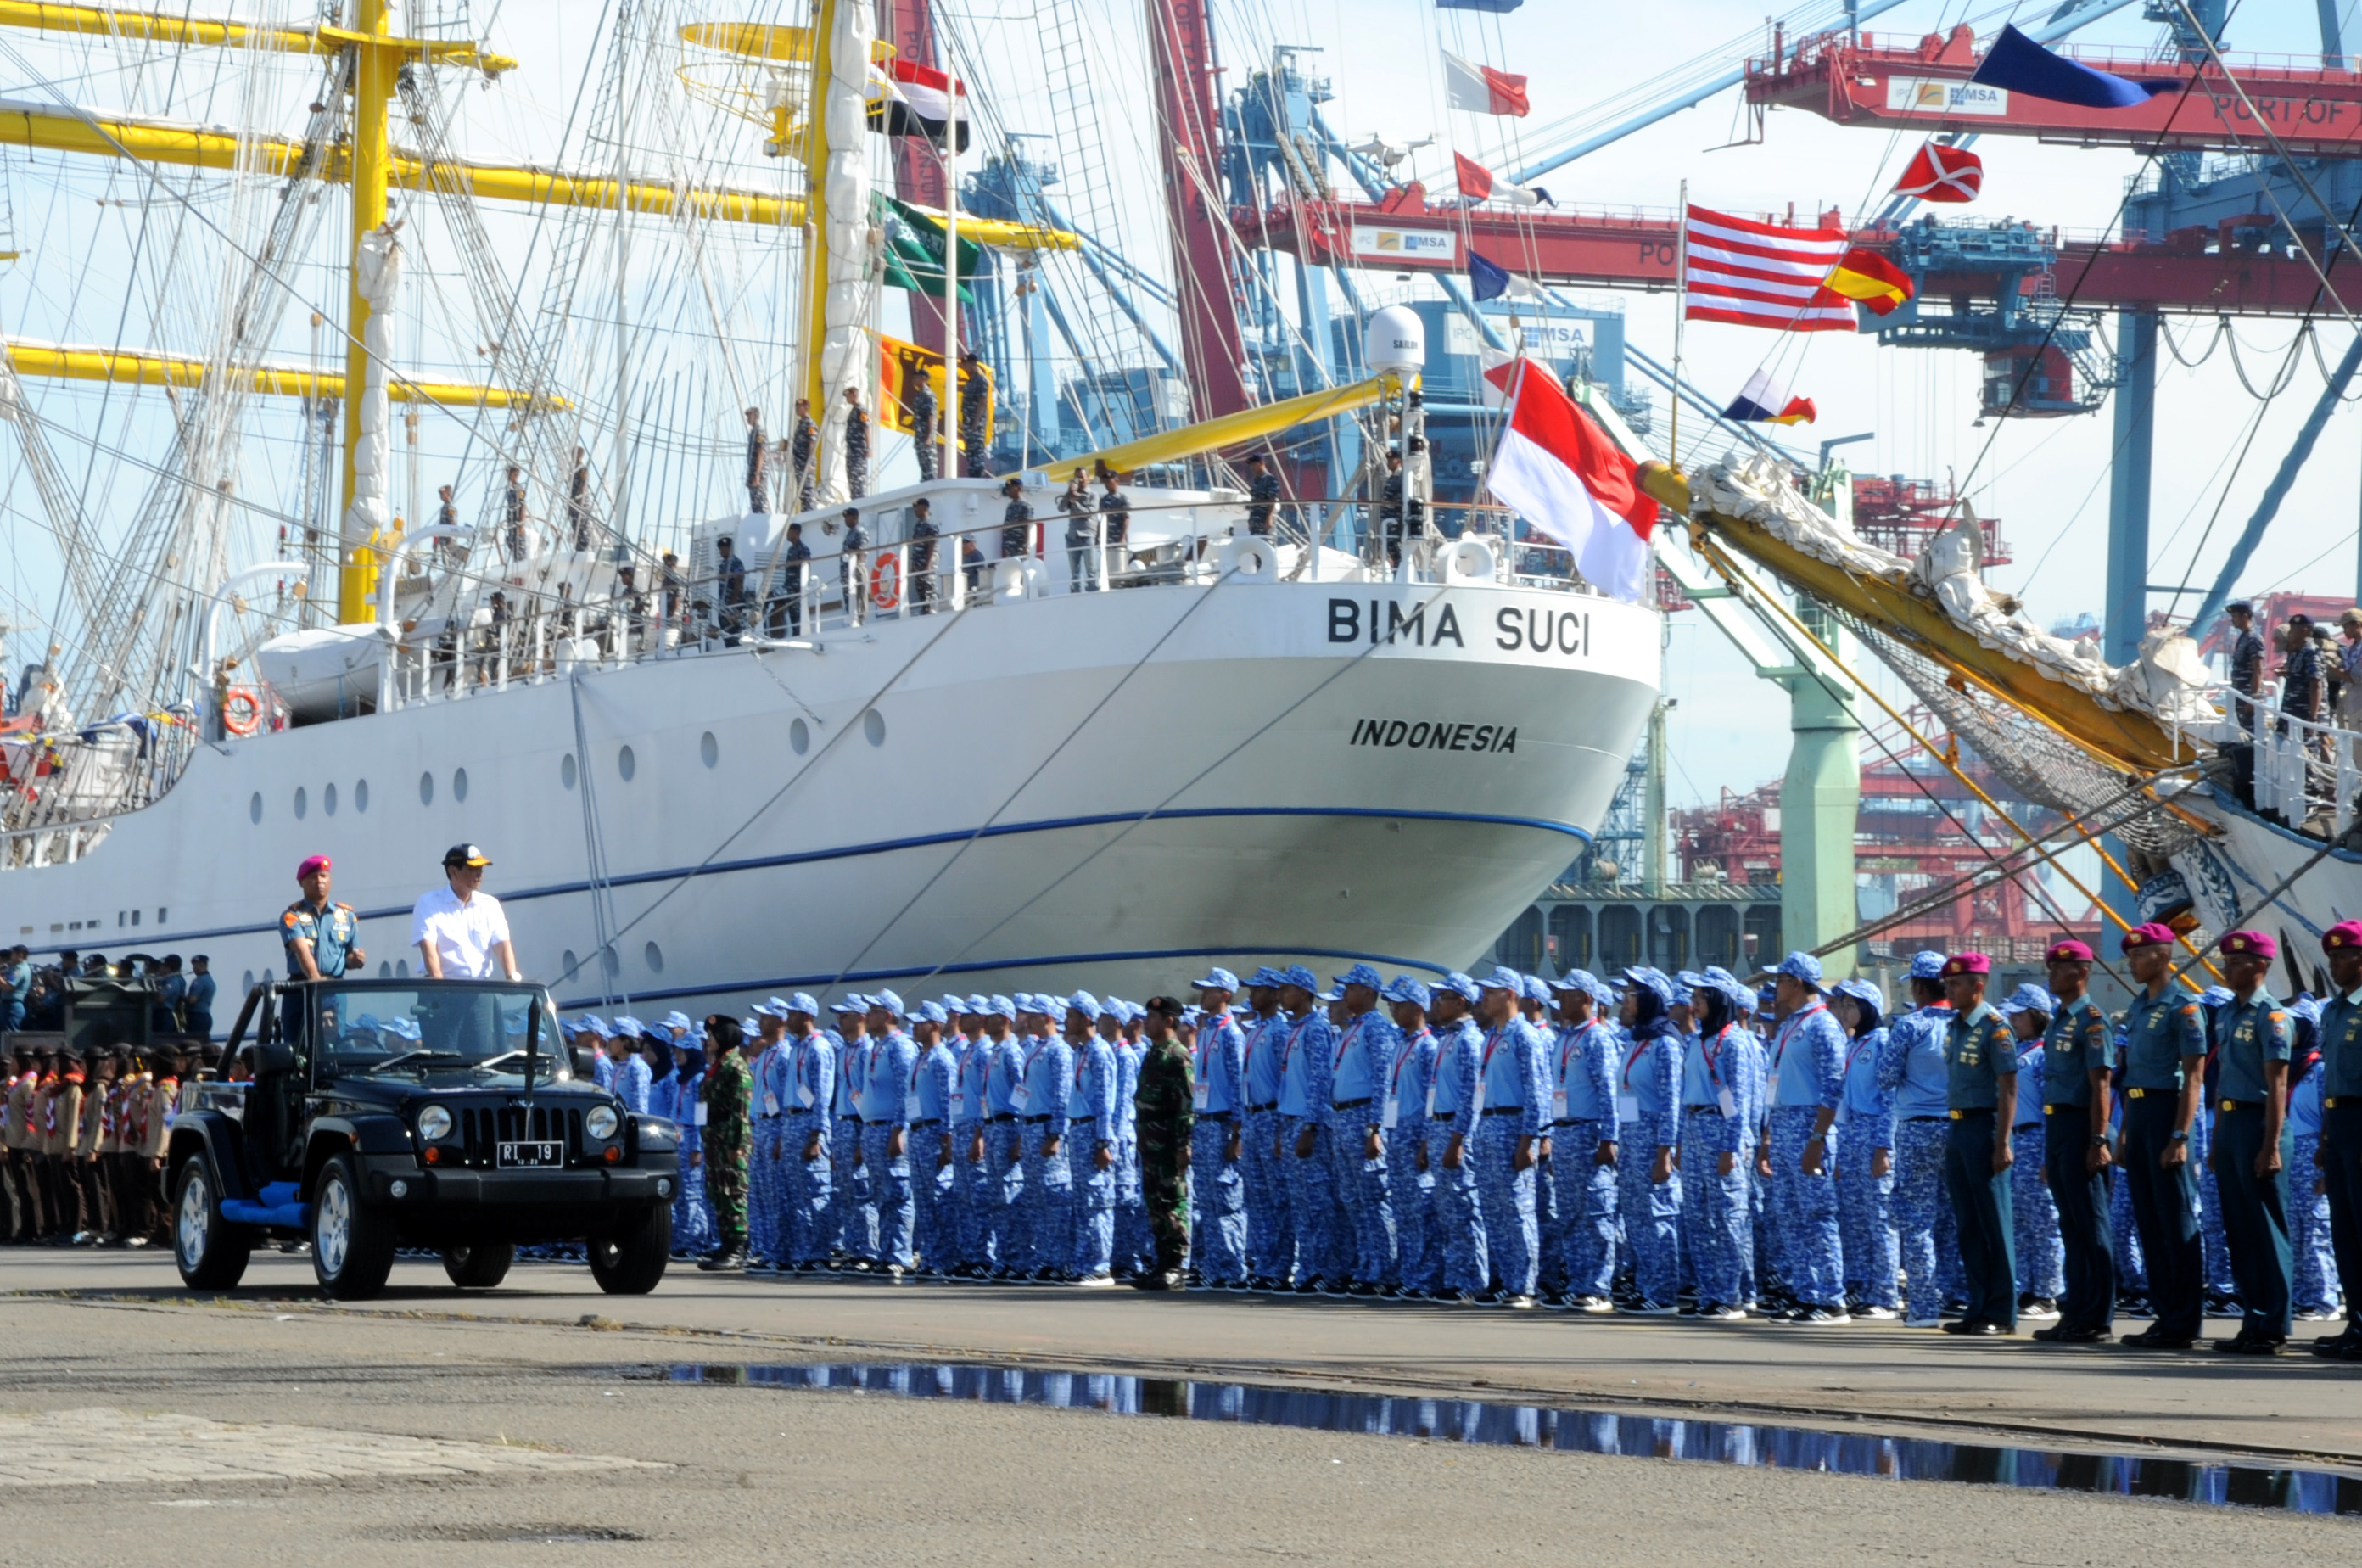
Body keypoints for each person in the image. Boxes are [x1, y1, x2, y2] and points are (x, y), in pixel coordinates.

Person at [2116, 922, 2209, 1350]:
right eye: (2130, 955)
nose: (2132, 962)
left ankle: (2185, 1320)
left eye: (2139, 954)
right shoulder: (2138, 1008)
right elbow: (2130, 1076)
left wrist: (2180, 1135)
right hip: (2139, 1114)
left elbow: (2194, 1076)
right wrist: (2124, 1132)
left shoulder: (2184, 1008)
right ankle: (2164, 1313)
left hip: (2167, 1111)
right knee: (2149, 1222)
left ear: (2163, 955)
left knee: (2176, 1221)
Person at [2211, 930, 2297, 1353]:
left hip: (2259, 1125)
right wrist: (2215, 1141)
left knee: (2266, 1228)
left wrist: (2272, 1144)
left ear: (2261, 967)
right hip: (2230, 1126)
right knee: (2240, 1229)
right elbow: (2223, 1081)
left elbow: (2278, 1085)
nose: (2228, 969)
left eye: (2237, 962)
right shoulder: (2226, 1014)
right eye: (2226, 962)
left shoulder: (2273, 1016)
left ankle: (2274, 1324)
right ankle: (2253, 1318)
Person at [2033, 939, 2117, 1344]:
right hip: (2058, 1125)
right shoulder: (2059, 1019)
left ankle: (2097, 1316)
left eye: (2059, 968)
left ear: (2081, 973)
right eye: (2050, 968)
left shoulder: (2093, 1021)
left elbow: (2101, 1084)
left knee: (2092, 1223)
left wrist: (2099, 1139)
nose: (2051, 975)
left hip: (2084, 1126)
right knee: (2070, 1224)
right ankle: (2076, 1310)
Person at [1762, 952, 1848, 1324]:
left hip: (1808, 1126)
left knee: (1816, 1215)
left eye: (1780, 980)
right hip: (1783, 1125)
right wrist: (1767, 1135)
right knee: (1789, 1215)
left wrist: (1818, 1138)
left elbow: (1833, 1088)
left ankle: (1831, 1298)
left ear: (1797, 983)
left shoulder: (1822, 1025)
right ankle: (1805, 1292)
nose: (1775, 987)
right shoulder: (1787, 1026)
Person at [1938, 953, 2019, 1336]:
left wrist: (2002, 1141)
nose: (1949, 990)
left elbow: (2008, 1088)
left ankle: (2002, 1312)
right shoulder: (1955, 1027)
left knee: (1993, 1222)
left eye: (1956, 984)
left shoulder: (1995, 1028)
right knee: (1968, 1222)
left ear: (1978, 986)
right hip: (1957, 1127)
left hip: (1985, 1126)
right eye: (1947, 984)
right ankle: (1978, 1304)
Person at [1878, 952, 1957, 1327]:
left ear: (1919, 987)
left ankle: (1924, 1306)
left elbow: (1885, 1077)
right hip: (1959, 1126)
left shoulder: (1910, 1026)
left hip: (1917, 1128)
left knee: (1917, 1218)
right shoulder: (1964, 1023)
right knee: (1956, 1217)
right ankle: (1960, 1294)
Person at [1329, 964, 1400, 1294]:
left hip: (1362, 1119)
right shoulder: (1352, 1028)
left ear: (1369, 993)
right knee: (1353, 1199)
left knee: (1373, 1197)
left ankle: (1383, 1271)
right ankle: (1366, 1265)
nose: (1346, 994)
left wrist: (1376, 1128)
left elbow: (1384, 1081)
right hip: (1343, 1118)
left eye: (1351, 988)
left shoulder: (1376, 1029)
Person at [1615, 966, 1682, 1315]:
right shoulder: (1634, 1041)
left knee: (1657, 1218)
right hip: (1631, 1140)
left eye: (1630, 995)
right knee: (1637, 1218)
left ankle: (1663, 1292)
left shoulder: (1665, 1044)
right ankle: (1646, 1286)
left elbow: (1671, 1103)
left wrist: (1664, 1153)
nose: (1623, 1003)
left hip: (1653, 1142)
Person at [2312, 921, 2362, 1360]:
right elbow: (2330, 1080)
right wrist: (2326, 1138)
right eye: (2331, 957)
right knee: (2345, 1230)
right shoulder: (2333, 1010)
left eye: (2342, 957)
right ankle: (2357, 1323)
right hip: (2340, 1121)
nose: (2334, 964)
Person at [2000, 983, 2063, 1322]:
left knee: (2044, 1223)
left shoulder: (2042, 1054)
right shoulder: (2021, 1050)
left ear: (2036, 1017)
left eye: (2019, 1013)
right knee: (2022, 1221)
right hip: (2018, 1139)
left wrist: (2046, 1157)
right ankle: (2027, 1288)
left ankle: (2048, 1293)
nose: (2013, 1018)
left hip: (2038, 1137)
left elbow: (2049, 1107)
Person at [1187, 969, 1247, 1288]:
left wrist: (1237, 1134)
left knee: (1226, 1199)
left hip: (1224, 1123)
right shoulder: (1207, 1032)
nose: (1202, 995)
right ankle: (1214, 1268)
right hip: (1205, 1123)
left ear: (1225, 995)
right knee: (1207, 1200)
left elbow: (1238, 1084)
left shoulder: (1230, 1033)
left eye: (1209, 991)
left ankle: (1233, 1269)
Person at [1130, 995, 1195, 1289]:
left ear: (1169, 1021)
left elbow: (1186, 1104)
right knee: (1155, 1203)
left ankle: (1176, 1267)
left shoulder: (1176, 1055)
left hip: (1169, 1143)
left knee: (1173, 1202)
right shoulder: (1153, 1053)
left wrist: (1184, 1145)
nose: (1147, 1023)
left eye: (1153, 1018)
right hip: (1150, 1141)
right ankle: (1161, 1263)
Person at [858, 991, 917, 1275]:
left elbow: (907, 1092)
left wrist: (899, 1130)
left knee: (898, 1194)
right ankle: (885, 1252)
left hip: (889, 1129)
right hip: (873, 1129)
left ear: (889, 1015)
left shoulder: (900, 1047)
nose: (867, 1015)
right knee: (881, 1195)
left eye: (874, 1010)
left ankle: (899, 1255)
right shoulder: (877, 1046)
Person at [1066, 992, 1122, 1285]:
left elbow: (1105, 1102)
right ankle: (1085, 1261)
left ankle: (1100, 1266)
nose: (1066, 1021)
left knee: (1097, 1199)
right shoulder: (1081, 1051)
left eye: (1071, 1016)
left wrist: (1103, 1142)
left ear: (1086, 1019)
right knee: (1083, 1202)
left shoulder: (1100, 1053)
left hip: (1092, 1131)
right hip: (1078, 1129)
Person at [697, 1015, 753, 1271]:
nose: (708, 1040)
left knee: (733, 1192)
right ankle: (726, 1243)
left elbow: (740, 1112)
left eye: (712, 1035)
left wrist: (736, 1146)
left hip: (729, 1141)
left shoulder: (735, 1067)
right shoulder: (718, 1065)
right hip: (714, 1140)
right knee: (718, 1193)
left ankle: (737, 1248)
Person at [411, 844, 518, 981]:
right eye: (473, 868)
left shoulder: (490, 905)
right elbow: (428, 949)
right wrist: (440, 989)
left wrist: (512, 977)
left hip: (481, 989)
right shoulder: (428, 903)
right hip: (442, 987)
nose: (480, 874)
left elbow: (503, 946)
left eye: (481, 868)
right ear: (454, 872)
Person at [782, 994, 834, 1272]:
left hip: (808, 1125)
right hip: (792, 1122)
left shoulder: (819, 1048)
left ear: (806, 1017)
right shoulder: (796, 1048)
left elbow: (822, 1096)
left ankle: (819, 1254)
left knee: (815, 1192)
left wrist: (816, 1136)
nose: (787, 1020)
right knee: (799, 1195)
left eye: (792, 1014)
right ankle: (804, 1251)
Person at [907, 1002, 957, 1276]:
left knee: (939, 1200)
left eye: (920, 1022)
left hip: (934, 1133)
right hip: (917, 1132)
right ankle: (929, 1257)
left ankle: (944, 1259)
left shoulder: (942, 1059)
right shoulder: (919, 1057)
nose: (914, 1027)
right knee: (924, 1201)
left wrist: (947, 1142)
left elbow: (948, 1101)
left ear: (935, 1026)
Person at [282, 855, 363, 983]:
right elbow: (301, 951)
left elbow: (348, 957)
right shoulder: (292, 916)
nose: (320, 881)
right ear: (301, 883)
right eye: (314, 877)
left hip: (336, 988)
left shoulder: (347, 916)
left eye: (323, 876)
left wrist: (356, 961)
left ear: (330, 880)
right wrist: (317, 983)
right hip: (301, 988)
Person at [2225, 601, 2265, 733]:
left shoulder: (2254, 639)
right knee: (2242, 733)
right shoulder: (2244, 638)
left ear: (2245, 616)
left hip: (2247, 696)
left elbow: (2258, 669)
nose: (2232, 620)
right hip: (2240, 695)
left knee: (2252, 735)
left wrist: (2252, 698)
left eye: (2235, 617)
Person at [1058, 471, 1095, 592]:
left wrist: (1075, 502)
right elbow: (1061, 508)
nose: (1079, 479)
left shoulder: (1093, 495)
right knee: (1075, 570)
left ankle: (1092, 591)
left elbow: (1089, 513)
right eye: (1077, 477)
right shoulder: (1071, 494)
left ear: (1088, 478)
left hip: (1087, 534)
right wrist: (1069, 494)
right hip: (1072, 535)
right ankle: (1076, 592)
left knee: (1091, 569)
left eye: (1082, 477)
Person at [773, 523, 811, 637]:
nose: (787, 535)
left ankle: (800, 637)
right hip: (789, 590)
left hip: (797, 590)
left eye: (789, 532)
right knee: (792, 618)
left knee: (798, 618)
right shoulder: (791, 550)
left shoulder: (803, 549)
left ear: (796, 533)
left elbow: (805, 567)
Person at [958, 350, 989, 477]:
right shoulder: (970, 382)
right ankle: (973, 475)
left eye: (965, 365)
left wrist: (976, 422)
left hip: (976, 424)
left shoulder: (980, 381)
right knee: (970, 452)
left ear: (972, 364)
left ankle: (978, 475)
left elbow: (982, 401)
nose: (964, 368)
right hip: (969, 423)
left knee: (977, 452)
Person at [1097, 468, 1131, 585]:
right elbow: (1100, 519)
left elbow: (1126, 518)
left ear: (1117, 481)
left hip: (1118, 537)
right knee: (1107, 565)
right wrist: (1098, 536)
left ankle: (1120, 585)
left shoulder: (1123, 499)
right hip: (1107, 538)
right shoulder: (1104, 500)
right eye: (1105, 482)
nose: (1107, 484)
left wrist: (1122, 537)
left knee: (1120, 565)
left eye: (1109, 481)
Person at [906, 370, 940, 482]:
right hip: (920, 437)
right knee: (923, 468)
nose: (913, 380)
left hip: (926, 437)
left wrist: (929, 437)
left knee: (930, 468)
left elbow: (931, 416)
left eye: (916, 377)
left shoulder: (928, 394)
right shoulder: (919, 395)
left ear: (923, 379)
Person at [908, 497, 939, 613]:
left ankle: (932, 610)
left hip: (927, 563)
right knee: (920, 588)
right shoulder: (918, 525)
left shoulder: (930, 524)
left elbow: (932, 543)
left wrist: (928, 563)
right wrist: (913, 564)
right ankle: (924, 609)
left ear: (924, 508)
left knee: (929, 587)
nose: (915, 510)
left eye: (917, 508)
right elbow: (916, 546)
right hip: (918, 563)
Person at [788, 398, 818, 512]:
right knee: (803, 492)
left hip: (806, 463)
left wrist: (810, 462)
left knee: (808, 490)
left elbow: (812, 443)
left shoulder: (809, 423)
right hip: (800, 464)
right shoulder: (801, 424)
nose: (797, 409)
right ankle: (805, 511)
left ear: (806, 408)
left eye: (799, 407)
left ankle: (810, 512)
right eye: (796, 407)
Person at [842, 386, 870, 501]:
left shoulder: (861, 410)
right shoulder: (853, 411)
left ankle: (859, 503)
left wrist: (868, 448)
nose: (847, 398)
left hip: (858, 451)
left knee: (858, 480)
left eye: (848, 395)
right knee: (852, 480)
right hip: (852, 451)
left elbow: (866, 429)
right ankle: (855, 501)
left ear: (854, 394)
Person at [1243, 452, 1279, 537]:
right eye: (1251, 465)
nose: (1252, 468)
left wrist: (1269, 518)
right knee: (1255, 547)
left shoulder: (1270, 479)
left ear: (1261, 463)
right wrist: (1250, 519)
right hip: (1255, 521)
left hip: (1264, 520)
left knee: (1265, 544)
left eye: (1254, 465)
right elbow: (1253, 500)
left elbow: (1272, 500)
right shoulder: (1255, 480)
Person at [999, 478, 1033, 566]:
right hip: (1009, 544)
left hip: (1019, 545)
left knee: (1020, 569)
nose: (1008, 491)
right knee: (1011, 571)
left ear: (1019, 488)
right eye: (1008, 489)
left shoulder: (1025, 505)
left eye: (1010, 488)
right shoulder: (1010, 505)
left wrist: (1026, 545)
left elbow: (1027, 526)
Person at [567, 446, 594, 548]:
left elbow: (583, 484)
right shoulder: (573, 469)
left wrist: (579, 500)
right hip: (574, 500)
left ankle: (583, 546)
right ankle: (578, 545)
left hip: (581, 501)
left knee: (582, 526)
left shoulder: (582, 468)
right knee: (575, 525)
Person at [743, 406, 770, 513]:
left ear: (756, 416)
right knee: (754, 503)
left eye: (750, 416)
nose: (748, 418)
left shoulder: (760, 432)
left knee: (760, 502)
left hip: (758, 472)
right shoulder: (752, 433)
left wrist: (757, 474)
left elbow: (761, 453)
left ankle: (761, 523)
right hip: (752, 471)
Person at [502, 463, 529, 562]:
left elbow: (522, 506)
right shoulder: (510, 488)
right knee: (513, 546)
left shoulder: (518, 488)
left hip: (517, 521)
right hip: (511, 522)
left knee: (520, 548)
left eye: (515, 474)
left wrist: (521, 524)